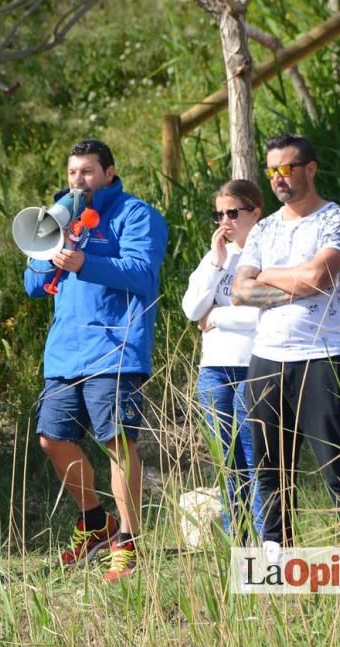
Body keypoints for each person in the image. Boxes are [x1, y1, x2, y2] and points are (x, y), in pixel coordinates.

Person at [23, 138, 167, 581]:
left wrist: (86, 260)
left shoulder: (136, 214)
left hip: (115, 349)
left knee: (117, 442)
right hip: (66, 352)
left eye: (86, 171)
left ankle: (128, 539)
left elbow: (143, 273)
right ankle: (94, 521)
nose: (78, 180)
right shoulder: (60, 217)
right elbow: (32, 286)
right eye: (72, 172)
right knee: (52, 439)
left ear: (108, 172)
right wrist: (49, 253)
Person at [231, 133, 340, 550]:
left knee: (338, 460)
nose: (279, 178)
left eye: (287, 168)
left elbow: (318, 278)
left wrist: (269, 275)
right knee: (270, 463)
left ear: (310, 169)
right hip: (266, 357)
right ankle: (277, 549)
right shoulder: (265, 227)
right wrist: (296, 281)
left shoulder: (336, 220)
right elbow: (240, 289)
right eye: (272, 170)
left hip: (323, 354)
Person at [181, 179, 265, 541]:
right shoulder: (217, 256)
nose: (225, 222)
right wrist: (216, 265)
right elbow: (190, 310)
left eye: (233, 213)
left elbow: (263, 314)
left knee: (255, 456)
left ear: (255, 212)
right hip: (214, 369)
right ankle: (239, 542)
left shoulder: (268, 253)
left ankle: (266, 540)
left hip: (254, 364)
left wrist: (216, 317)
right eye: (219, 215)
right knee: (227, 460)